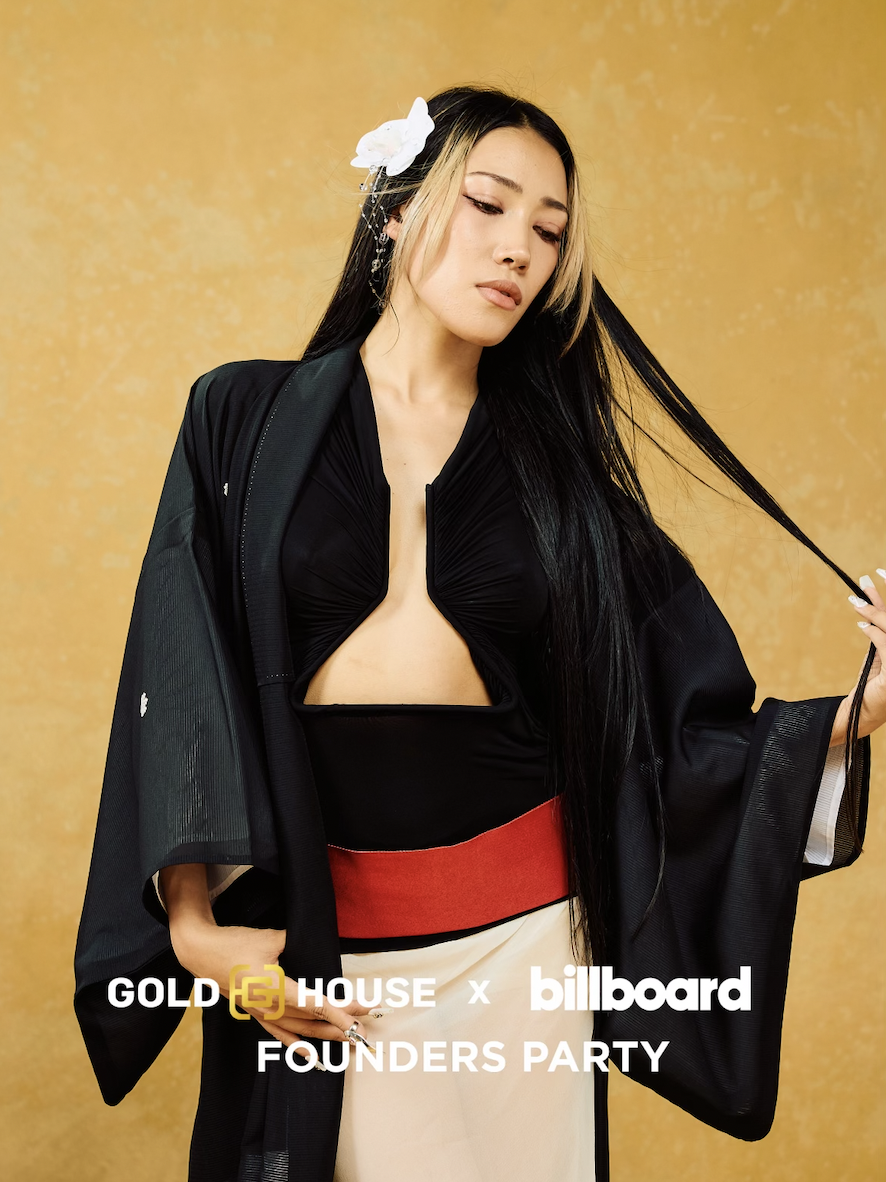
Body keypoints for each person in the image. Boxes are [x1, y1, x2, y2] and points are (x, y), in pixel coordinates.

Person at [73, 85, 883, 1182]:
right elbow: (182, 678)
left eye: (548, 232)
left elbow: (680, 737)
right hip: (321, 942)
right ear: (397, 208)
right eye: (489, 206)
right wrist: (195, 931)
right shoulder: (241, 418)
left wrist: (863, 709)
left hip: (526, 944)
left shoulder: (565, 481)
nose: (518, 251)